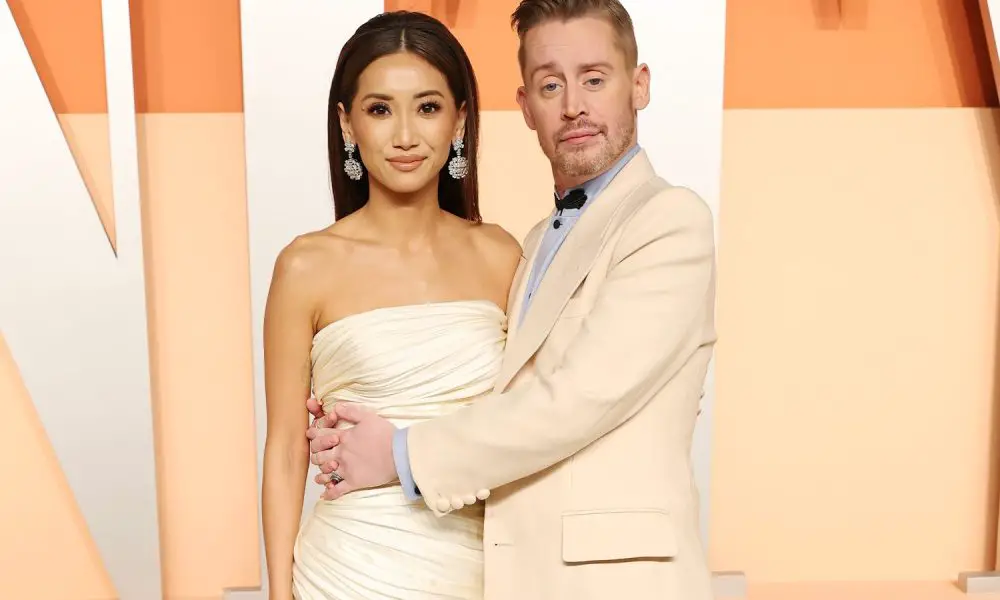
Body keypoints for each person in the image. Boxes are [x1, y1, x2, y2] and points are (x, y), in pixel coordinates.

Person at [305, 0, 717, 599]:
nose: (572, 105)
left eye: (594, 79)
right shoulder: (531, 244)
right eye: (551, 85)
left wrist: (398, 452)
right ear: (525, 106)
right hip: (500, 574)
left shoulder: (669, 220)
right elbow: (500, 391)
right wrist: (347, 416)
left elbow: (576, 400)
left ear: (639, 85)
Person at [260, 10, 521, 600]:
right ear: (346, 123)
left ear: (460, 119)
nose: (405, 135)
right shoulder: (305, 265)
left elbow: (527, 422)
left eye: (427, 107)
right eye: (380, 109)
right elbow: (285, 448)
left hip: (477, 570)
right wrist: (278, 593)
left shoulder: (502, 256)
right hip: (346, 572)